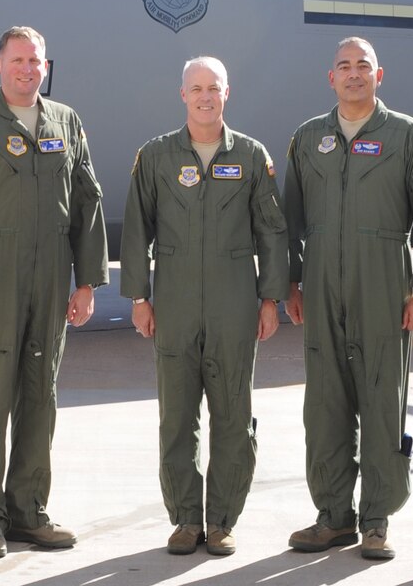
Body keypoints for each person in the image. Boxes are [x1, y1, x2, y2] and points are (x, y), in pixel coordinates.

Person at [0, 26, 107, 558]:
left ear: (46, 66)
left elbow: (87, 200)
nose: (28, 69)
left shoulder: (65, 121)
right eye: (18, 60)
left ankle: (28, 511)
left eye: (36, 61)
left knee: (39, 398)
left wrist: (86, 281)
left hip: (49, 280)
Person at [282, 38, 413, 560]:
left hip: (383, 280)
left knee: (382, 398)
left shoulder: (407, 136)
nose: (354, 74)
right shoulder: (309, 138)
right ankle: (333, 516)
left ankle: (376, 519)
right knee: (326, 401)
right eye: (344, 67)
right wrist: (289, 282)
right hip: (323, 280)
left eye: (363, 67)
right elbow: (288, 218)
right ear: (330, 77)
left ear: (381, 75)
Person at [121, 56, 289, 557]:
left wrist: (269, 300)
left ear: (226, 93)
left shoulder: (252, 156)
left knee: (233, 414)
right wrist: (139, 298)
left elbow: (272, 233)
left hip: (234, 304)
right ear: (182, 95)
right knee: (177, 416)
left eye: (213, 88)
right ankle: (184, 519)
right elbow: (136, 231)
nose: (205, 97)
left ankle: (221, 520)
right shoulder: (155, 156)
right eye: (196, 88)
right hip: (173, 304)